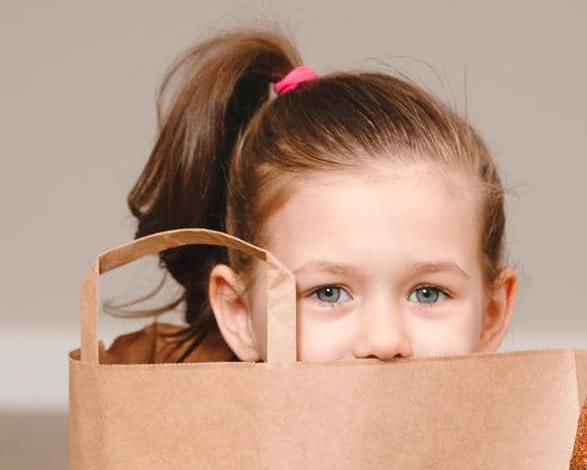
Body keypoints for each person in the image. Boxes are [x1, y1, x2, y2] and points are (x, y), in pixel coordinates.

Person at [103, 27, 518, 364]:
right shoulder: (183, 454)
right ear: (240, 314)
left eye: (428, 293)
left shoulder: (528, 458)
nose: (384, 341)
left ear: (491, 316)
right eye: (328, 292)